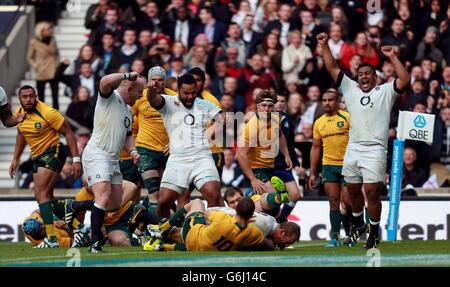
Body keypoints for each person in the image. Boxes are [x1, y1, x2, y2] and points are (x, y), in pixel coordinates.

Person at [317, 32, 410, 249]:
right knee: (352, 190)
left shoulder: (386, 91)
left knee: (371, 192)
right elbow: (332, 68)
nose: (364, 77)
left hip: (375, 148)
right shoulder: (349, 89)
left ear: (375, 77)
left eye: (368, 74)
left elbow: (405, 80)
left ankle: (374, 232)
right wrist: (324, 45)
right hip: (354, 148)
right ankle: (358, 222)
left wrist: (393, 57)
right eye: (360, 75)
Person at [9, 85, 82, 248]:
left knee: (41, 194)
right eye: (24, 97)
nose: (28, 99)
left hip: (54, 150)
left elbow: (69, 133)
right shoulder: (19, 114)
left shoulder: (48, 112)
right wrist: (15, 159)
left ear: (36, 96)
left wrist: (76, 159)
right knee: (44, 197)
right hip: (38, 156)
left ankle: (52, 239)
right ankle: (79, 226)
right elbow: (21, 133)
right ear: (20, 98)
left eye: (31, 96)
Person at [80, 71, 144, 253]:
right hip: (98, 153)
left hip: (113, 159)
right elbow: (104, 81)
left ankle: (74, 206)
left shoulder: (129, 111)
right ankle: (95, 244)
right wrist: (127, 74)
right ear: (130, 89)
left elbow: (128, 136)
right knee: (104, 196)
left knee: (114, 204)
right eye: (139, 93)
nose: (140, 97)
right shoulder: (110, 97)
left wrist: (132, 150)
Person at [146, 73, 222, 219]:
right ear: (178, 90)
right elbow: (153, 100)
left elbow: (224, 118)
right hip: (178, 159)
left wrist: (212, 131)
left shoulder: (204, 104)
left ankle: (213, 230)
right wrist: (151, 90)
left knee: (213, 193)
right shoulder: (168, 102)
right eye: (186, 93)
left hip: (202, 157)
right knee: (164, 201)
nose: (190, 96)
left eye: (193, 93)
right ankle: (161, 232)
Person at [309, 89, 352, 247]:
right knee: (333, 201)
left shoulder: (347, 117)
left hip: (348, 166)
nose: (327, 103)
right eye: (324, 100)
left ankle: (350, 235)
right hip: (328, 166)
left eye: (330, 100)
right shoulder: (319, 122)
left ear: (337, 101)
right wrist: (313, 173)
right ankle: (335, 238)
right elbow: (315, 148)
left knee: (347, 202)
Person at [146, 198, 275, 251]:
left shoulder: (223, 219)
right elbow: (268, 245)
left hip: (192, 234)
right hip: (198, 248)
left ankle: (161, 229)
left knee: (197, 202)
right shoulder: (252, 233)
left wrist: (229, 214)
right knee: (176, 234)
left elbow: (205, 213)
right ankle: (162, 246)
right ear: (252, 214)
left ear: (236, 209)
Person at [237, 89, 292, 195]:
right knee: (273, 196)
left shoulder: (275, 119)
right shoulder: (253, 126)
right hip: (255, 169)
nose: (266, 109)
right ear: (257, 106)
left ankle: (249, 199)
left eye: (270, 106)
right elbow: (241, 154)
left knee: (269, 204)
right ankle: (247, 198)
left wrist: (287, 155)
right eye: (263, 105)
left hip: (270, 166)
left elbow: (280, 135)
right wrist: (252, 179)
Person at [133, 67, 171, 206]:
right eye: (153, 80)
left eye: (160, 80)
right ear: (148, 81)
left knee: (165, 194)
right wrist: (132, 148)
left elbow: (182, 124)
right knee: (154, 191)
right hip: (146, 149)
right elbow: (129, 122)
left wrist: (175, 142)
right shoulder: (139, 97)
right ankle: (154, 226)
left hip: (167, 150)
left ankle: (143, 215)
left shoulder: (173, 97)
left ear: (165, 81)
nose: (156, 83)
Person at [273, 94, 302, 219]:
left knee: (295, 195)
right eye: (277, 101)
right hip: (270, 166)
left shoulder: (288, 121)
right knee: (272, 198)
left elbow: (290, 145)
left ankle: (282, 219)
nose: (279, 103)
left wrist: (296, 164)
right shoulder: (264, 120)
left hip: (285, 165)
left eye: (282, 101)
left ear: (285, 104)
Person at [26, 21, 60, 110]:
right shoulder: (34, 42)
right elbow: (29, 58)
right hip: (41, 71)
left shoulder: (53, 39)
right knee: (41, 97)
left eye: (49, 28)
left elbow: (57, 53)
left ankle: (56, 116)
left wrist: (57, 64)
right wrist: (36, 66)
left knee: (55, 97)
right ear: (41, 31)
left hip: (53, 70)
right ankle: (42, 115)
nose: (49, 30)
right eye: (46, 29)